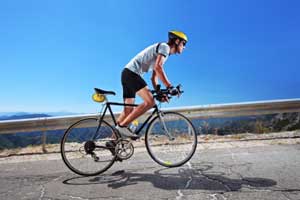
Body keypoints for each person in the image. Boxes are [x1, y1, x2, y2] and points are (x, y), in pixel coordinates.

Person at [116, 30, 188, 139]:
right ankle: (123, 126)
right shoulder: (165, 47)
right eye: (184, 43)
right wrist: (170, 87)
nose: (184, 47)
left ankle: (113, 142)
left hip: (127, 73)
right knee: (150, 102)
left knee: (128, 112)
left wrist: (159, 92)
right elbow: (158, 67)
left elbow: (154, 77)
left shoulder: (163, 52)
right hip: (132, 74)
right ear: (177, 41)